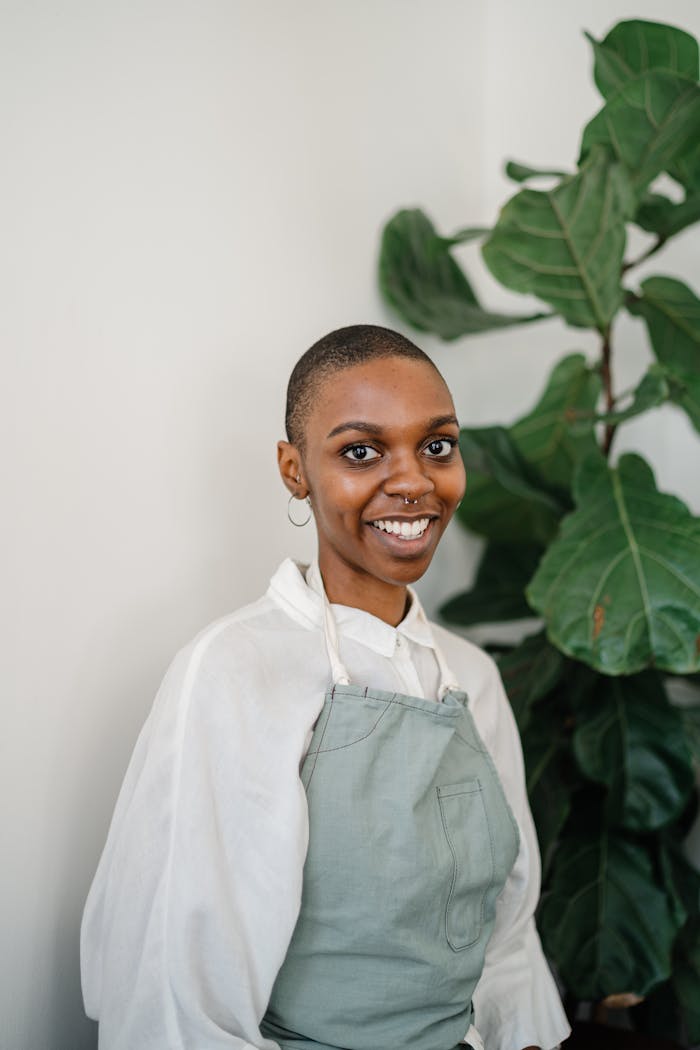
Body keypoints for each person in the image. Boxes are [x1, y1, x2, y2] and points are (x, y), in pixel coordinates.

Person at [81, 325, 571, 1050]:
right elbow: (172, 997)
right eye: (361, 451)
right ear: (294, 470)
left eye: (437, 445)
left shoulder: (472, 677)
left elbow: (507, 939)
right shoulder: (232, 670)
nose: (413, 481)